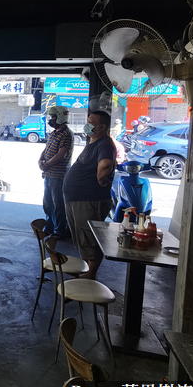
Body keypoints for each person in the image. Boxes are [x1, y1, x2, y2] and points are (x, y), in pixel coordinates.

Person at [62, 111, 117, 280]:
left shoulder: (105, 144)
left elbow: (106, 163)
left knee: (89, 237)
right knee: (81, 236)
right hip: (76, 198)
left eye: (91, 122)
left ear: (102, 127)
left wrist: (101, 176)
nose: (88, 124)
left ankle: (90, 274)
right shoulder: (93, 142)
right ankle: (85, 268)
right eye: (88, 121)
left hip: (89, 200)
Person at [39, 106, 74, 241]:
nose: (51, 120)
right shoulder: (54, 133)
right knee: (48, 203)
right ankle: (49, 228)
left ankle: (60, 230)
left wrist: (46, 164)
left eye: (53, 117)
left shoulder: (67, 134)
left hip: (58, 177)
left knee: (58, 204)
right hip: (48, 175)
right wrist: (40, 160)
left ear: (60, 117)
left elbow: (61, 154)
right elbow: (46, 148)